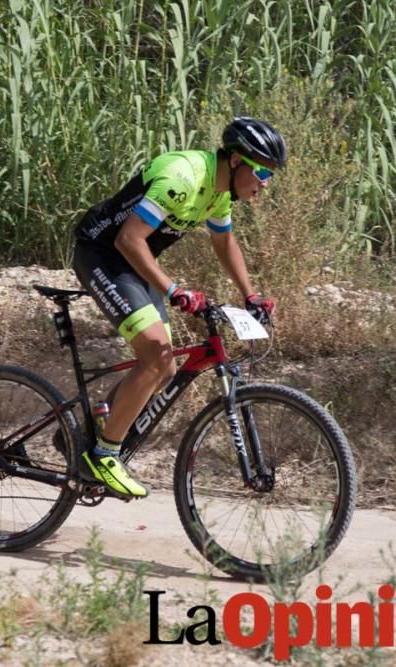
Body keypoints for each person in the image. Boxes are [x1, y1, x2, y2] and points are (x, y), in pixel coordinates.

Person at [72, 117, 285, 497]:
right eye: (262, 171)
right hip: (104, 252)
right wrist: (174, 290)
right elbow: (128, 238)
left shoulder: (219, 191)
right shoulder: (184, 176)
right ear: (236, 161)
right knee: (155, 353)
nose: (265, 183)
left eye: (270, 174)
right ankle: (104, 455)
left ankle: (87, 431)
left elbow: (224, 243)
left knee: (165, 366)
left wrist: (251, 295)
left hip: (134, 261)